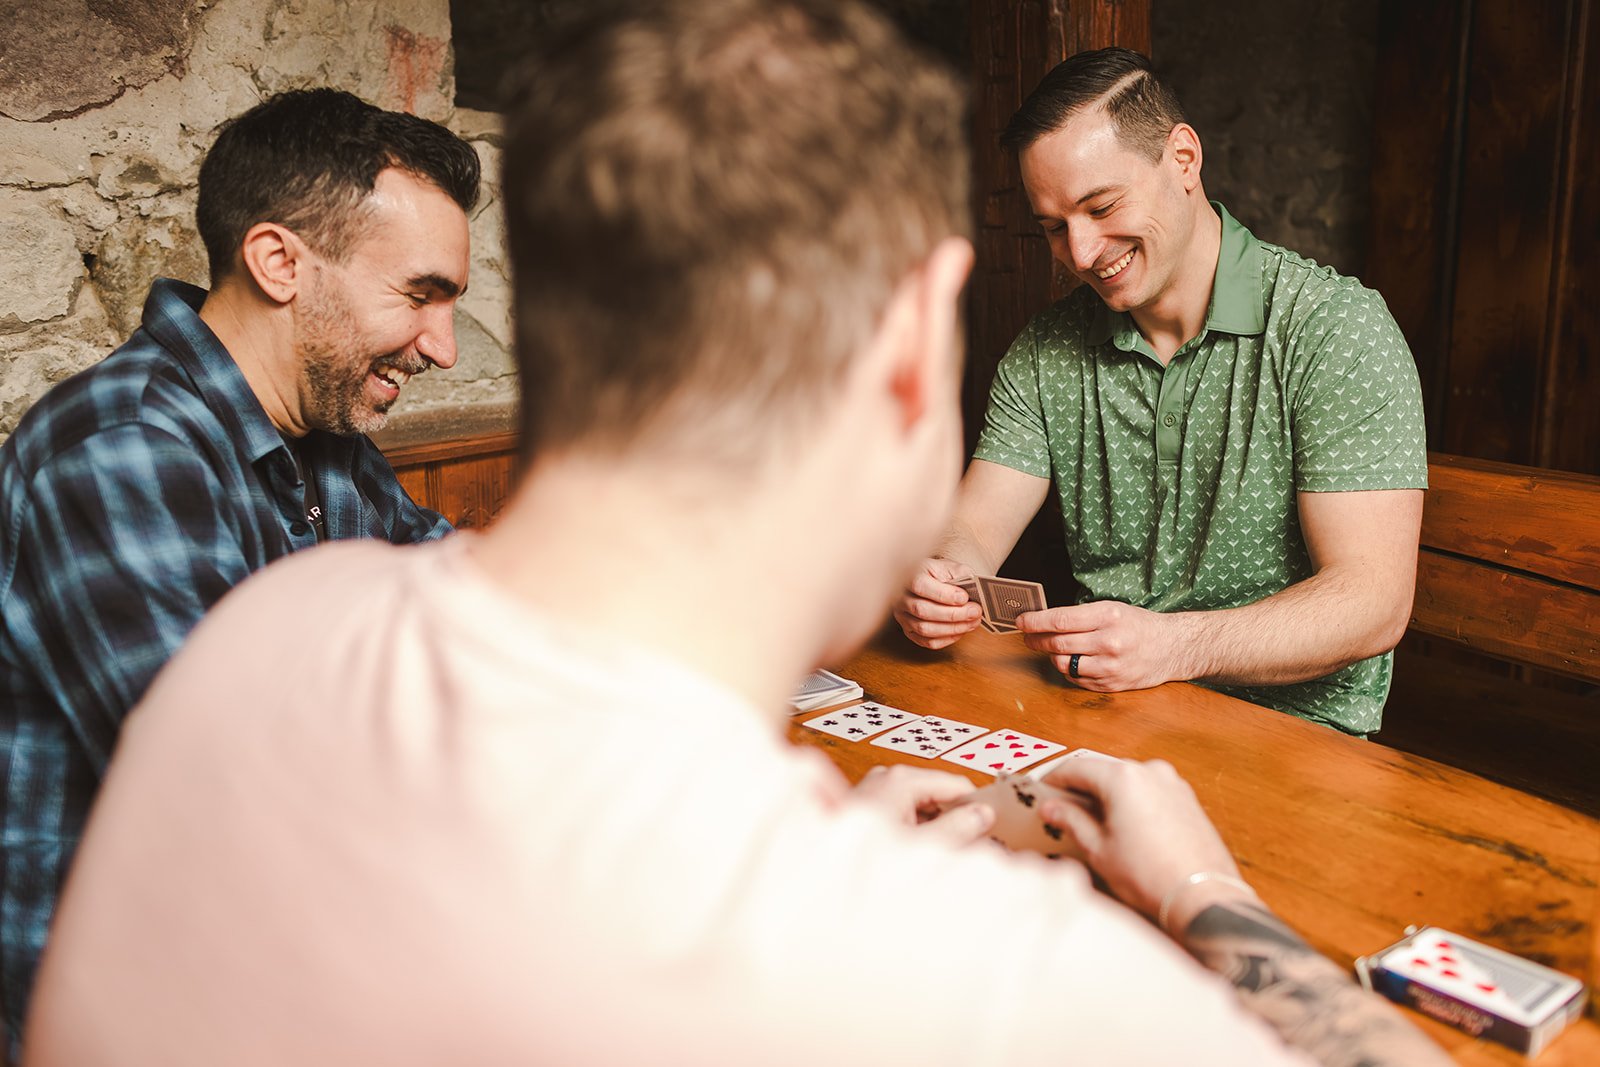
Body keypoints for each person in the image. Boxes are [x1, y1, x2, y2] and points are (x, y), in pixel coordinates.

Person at [26, 5, 1447, 1065]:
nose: (1074, 256)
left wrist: (820, 826)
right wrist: (1198, 889)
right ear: (911, 344)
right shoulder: (987, 978)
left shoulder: (270, 630)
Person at [0, 88, 479, 1044]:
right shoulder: (117, 446)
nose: (443, 346)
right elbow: (240, 806)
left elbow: (467, 593)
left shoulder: (322, 436)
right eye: (419, 295)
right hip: (129, 1017)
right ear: (278, 262)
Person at [894, 48, 1427, 736]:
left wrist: (1173, 646)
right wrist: (939, 581)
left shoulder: (1334, 330)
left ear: (1183, 159)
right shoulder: (1046, 348)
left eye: (1101, 205)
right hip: (1100, 717)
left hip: (1294, 739)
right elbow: (971, 528)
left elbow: (1374, 600)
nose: (1082, 253)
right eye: (1054, 227)